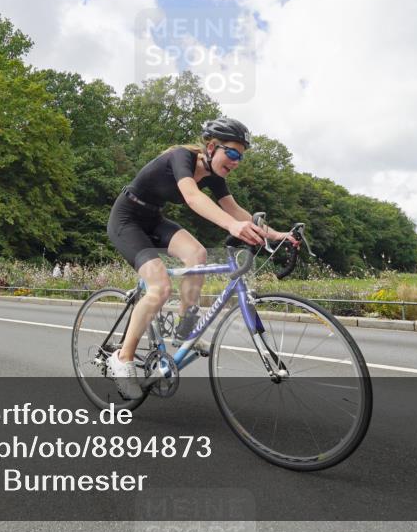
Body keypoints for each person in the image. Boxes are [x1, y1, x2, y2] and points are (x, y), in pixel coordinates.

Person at [105, 117, 296, 399]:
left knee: (198, 254)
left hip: (154, 218)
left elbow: (233, 209)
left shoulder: (215, 177)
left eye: (240, 157)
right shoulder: (180, 157)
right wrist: (232, 227)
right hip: (126, 219)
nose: (236, 161)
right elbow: (193, 198)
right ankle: (122, 358)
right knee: (159, 287)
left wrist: (276, 234)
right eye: (231, 153)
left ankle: (185, 328)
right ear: (211, 147)